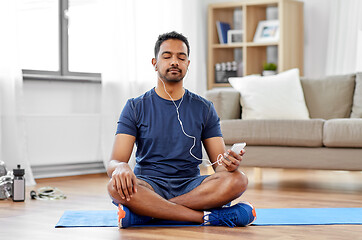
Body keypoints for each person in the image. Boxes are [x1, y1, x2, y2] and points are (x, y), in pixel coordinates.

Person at [107, 31, 256, 228]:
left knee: (238, 180)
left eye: (181, 57)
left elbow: (219, 166)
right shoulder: (135, 106)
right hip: (149, 185)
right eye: (167, 57)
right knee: (114, 186)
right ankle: (207, 217)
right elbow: (115, 161)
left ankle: (148, 214)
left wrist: (229, 164)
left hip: (191, 187)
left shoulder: (204, 108)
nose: (174, 62)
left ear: (188, 64)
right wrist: (120, 167)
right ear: (155, 63)